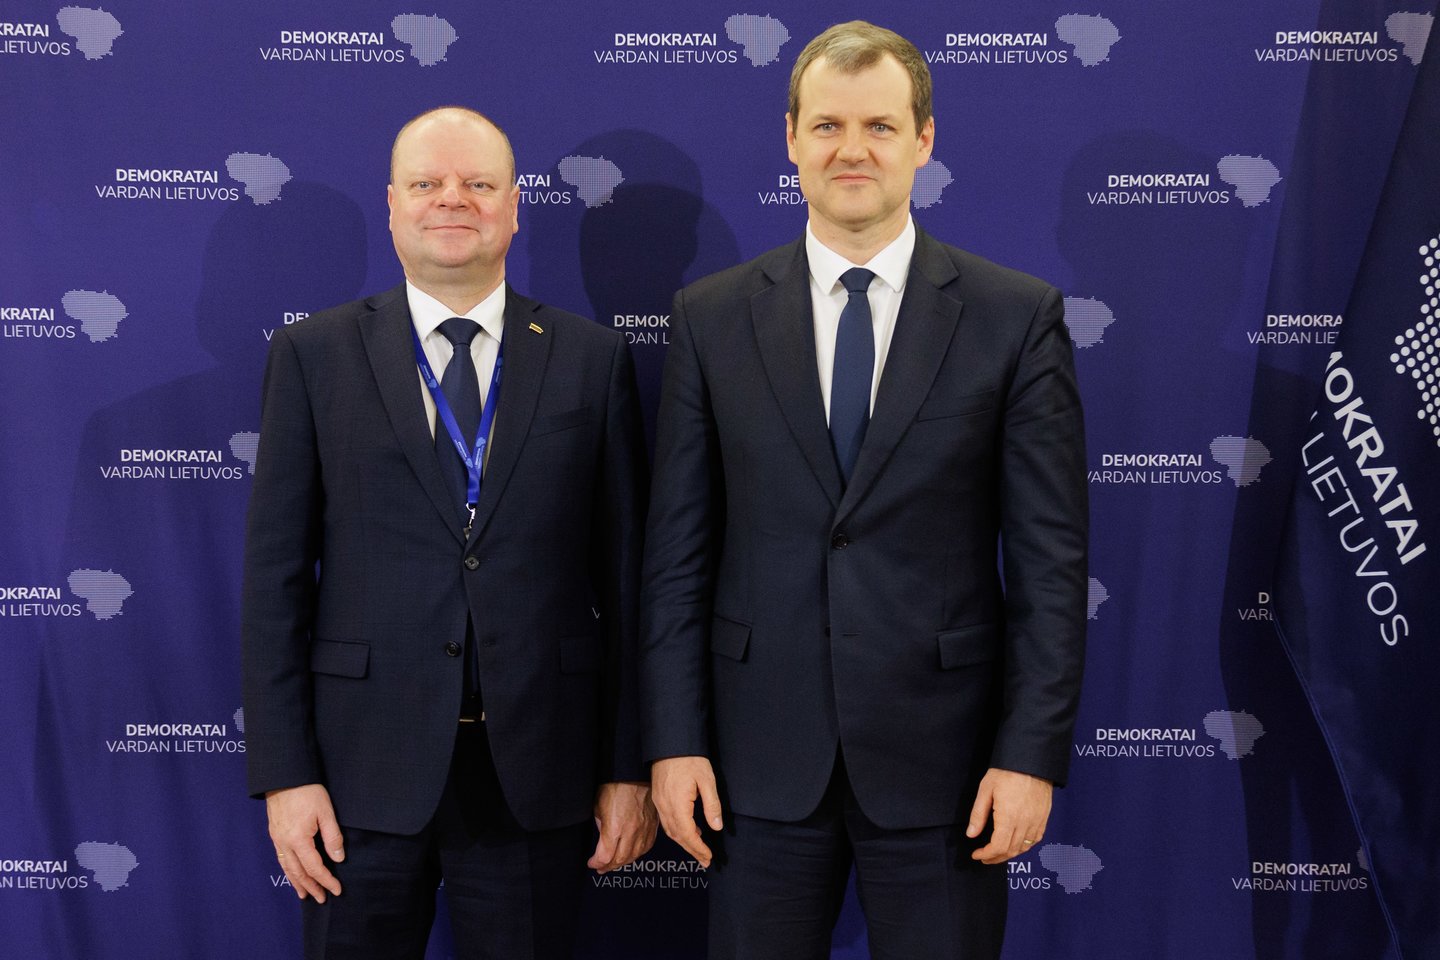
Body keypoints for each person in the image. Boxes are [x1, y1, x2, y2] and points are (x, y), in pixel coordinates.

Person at [641, 22, 1087, 959]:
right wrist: (674, 741)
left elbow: (1050, 567)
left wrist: (1029, 755)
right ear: (791, 139)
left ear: (924, 141)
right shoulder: (711, 318)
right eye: (829, 125)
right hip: (756, 765)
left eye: (880, 127)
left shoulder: (1013, 317)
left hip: (949, 770)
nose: (853, 150)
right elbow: (677, 557)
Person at [242, 106, 655, 959]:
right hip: (358, 776)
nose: (452, 200)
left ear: (514, 207)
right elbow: (274, 584)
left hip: (538, 772)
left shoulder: (591, 359)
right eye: (427, 183)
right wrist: (286, 775)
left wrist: (627, 765)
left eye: (478, 183)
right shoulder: (313, 356)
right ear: (393, 204)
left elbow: (627, 585)